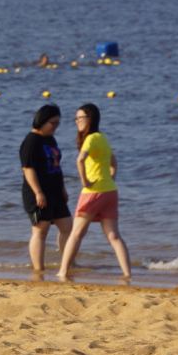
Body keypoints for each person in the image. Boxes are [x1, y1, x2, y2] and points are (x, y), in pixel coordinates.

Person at [57, 103, 131, 281]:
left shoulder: (90, 138)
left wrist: (85, 182)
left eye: (80, 118)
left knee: (76, 234)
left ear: (89, 119)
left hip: (92, 193)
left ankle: (63, 271)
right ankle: (127, 274)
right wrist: (111, 178)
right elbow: (114, 162)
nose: (77, 122)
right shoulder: (103, 137)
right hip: (110, 192)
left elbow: (80, 160)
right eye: (76, 118)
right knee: (114, 236)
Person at [20, 105, 72, 276]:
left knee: (67, 227)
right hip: (38, 193)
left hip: (55, 192)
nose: (55, 127)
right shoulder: (31, 141)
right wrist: (38, 192)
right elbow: (28, 169)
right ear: (42, 121)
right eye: (52, 123)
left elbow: (57, 166)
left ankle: (66, 262)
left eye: (58, 123)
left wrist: (63, 188)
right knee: (40, 230)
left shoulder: (51, 140)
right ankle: (38, 269)